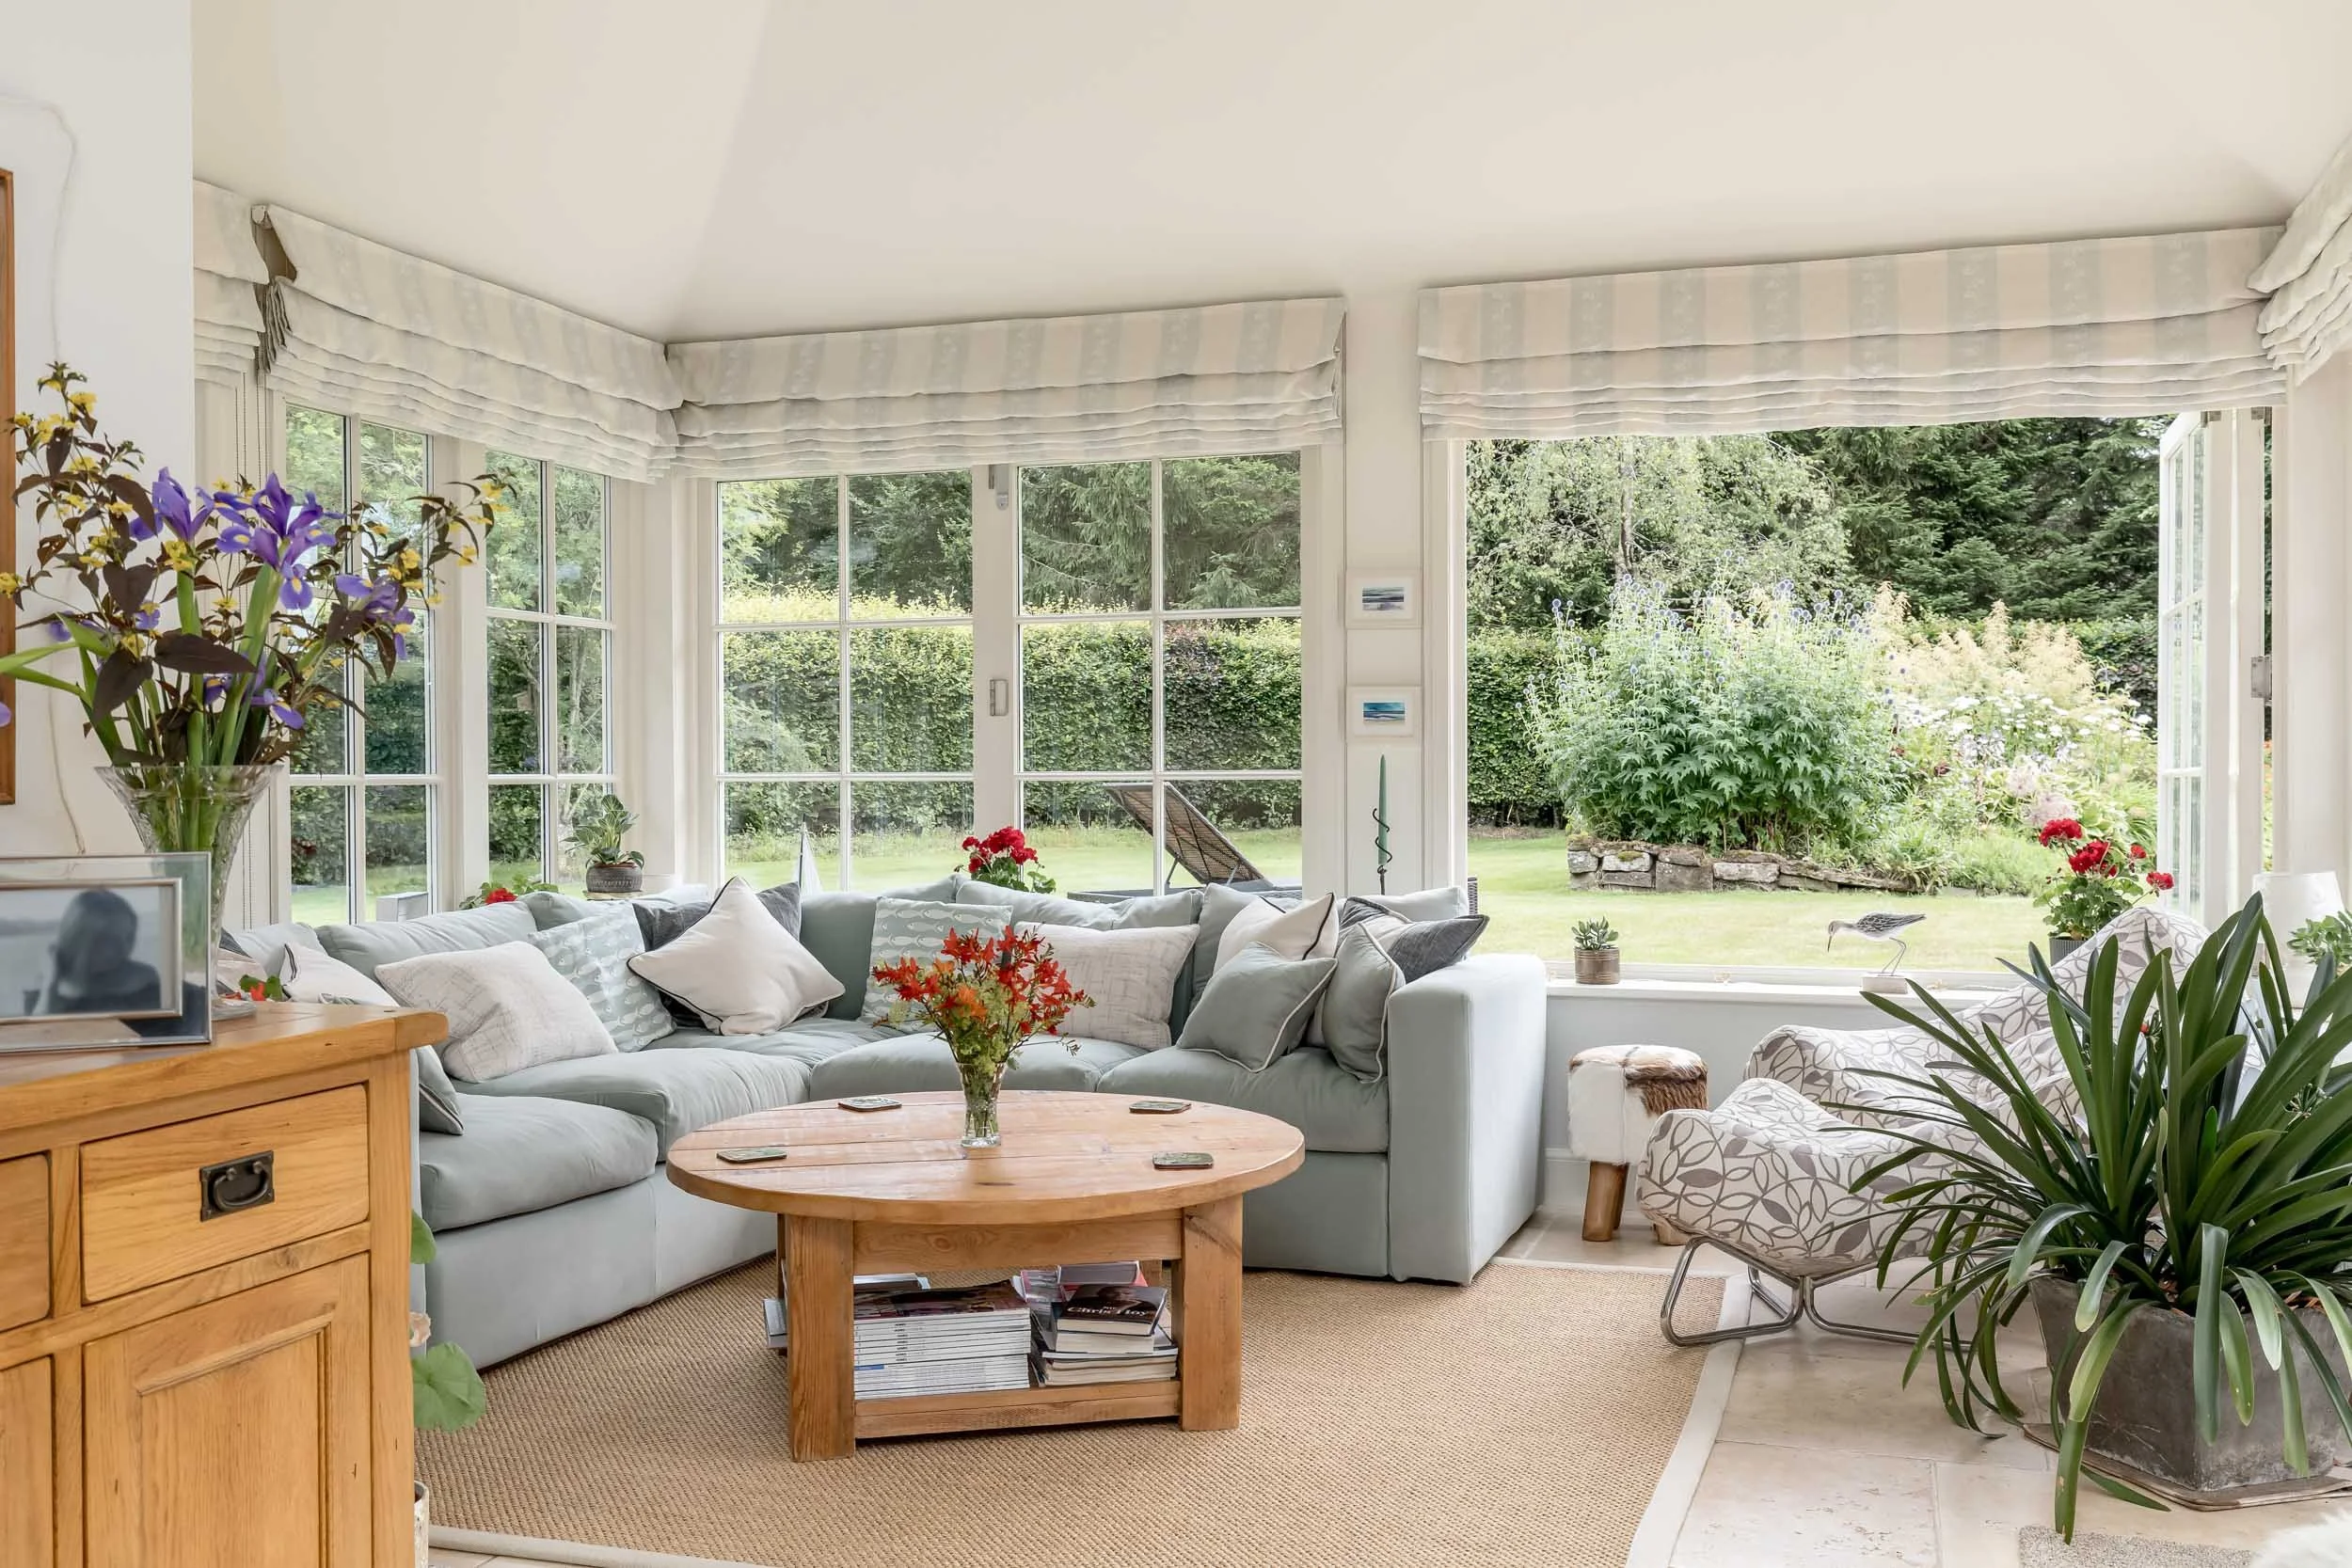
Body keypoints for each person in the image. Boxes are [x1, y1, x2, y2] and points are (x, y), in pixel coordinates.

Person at [25, 888, 166, 1019]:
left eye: (128, 937)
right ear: (77, 938)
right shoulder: (44, 987)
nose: (123, 949)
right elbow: (36, 1039)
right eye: (109, 940)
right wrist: (50, 986)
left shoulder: (142, 981)